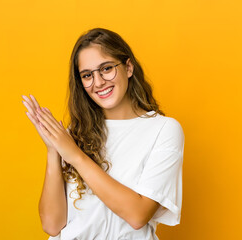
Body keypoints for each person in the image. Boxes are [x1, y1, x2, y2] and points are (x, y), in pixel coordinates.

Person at [21, 28, 185, 240]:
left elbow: (137, 215)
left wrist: (75, 156)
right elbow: (52, 225)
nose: (98, 82)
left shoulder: (164, 130)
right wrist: (53, 150)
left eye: (106, 69)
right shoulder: (75, 133)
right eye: (87, 75)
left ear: (128, 67)